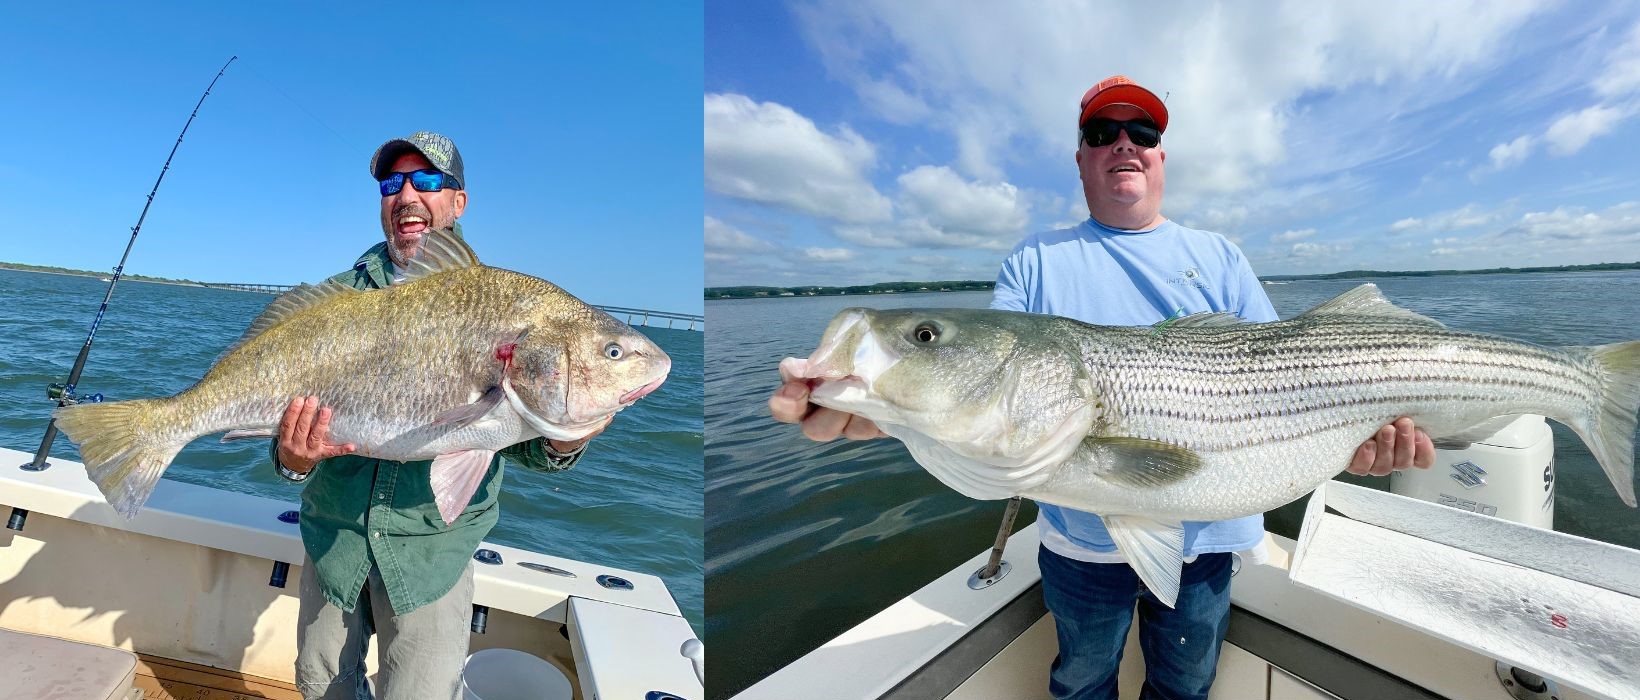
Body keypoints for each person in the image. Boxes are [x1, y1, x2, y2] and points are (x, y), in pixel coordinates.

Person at [768, 76, 1435, 699]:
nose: (1123, 143)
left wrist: (1353, 438)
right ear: (1082, 159)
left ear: (1160, 156)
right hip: (1077, 548)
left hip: (1209, 544)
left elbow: (1289, 374)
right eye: (1101, 132)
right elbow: (987, 397)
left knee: (1186, 686)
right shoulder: (1034, 260)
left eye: (1141, 132)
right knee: (1082, 685)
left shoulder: (1219, 255)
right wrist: (891, 416)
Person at [272, 131, 603, 700]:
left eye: (427, 180)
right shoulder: (334, 300)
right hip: (333, 544)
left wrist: (564, 441)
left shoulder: (502, 303)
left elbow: (523, 440)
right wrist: (292, 459)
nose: (407, 196)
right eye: (392, 184)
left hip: (431, 560)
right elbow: (285, 441)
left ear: (459, 201)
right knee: (322, 688)